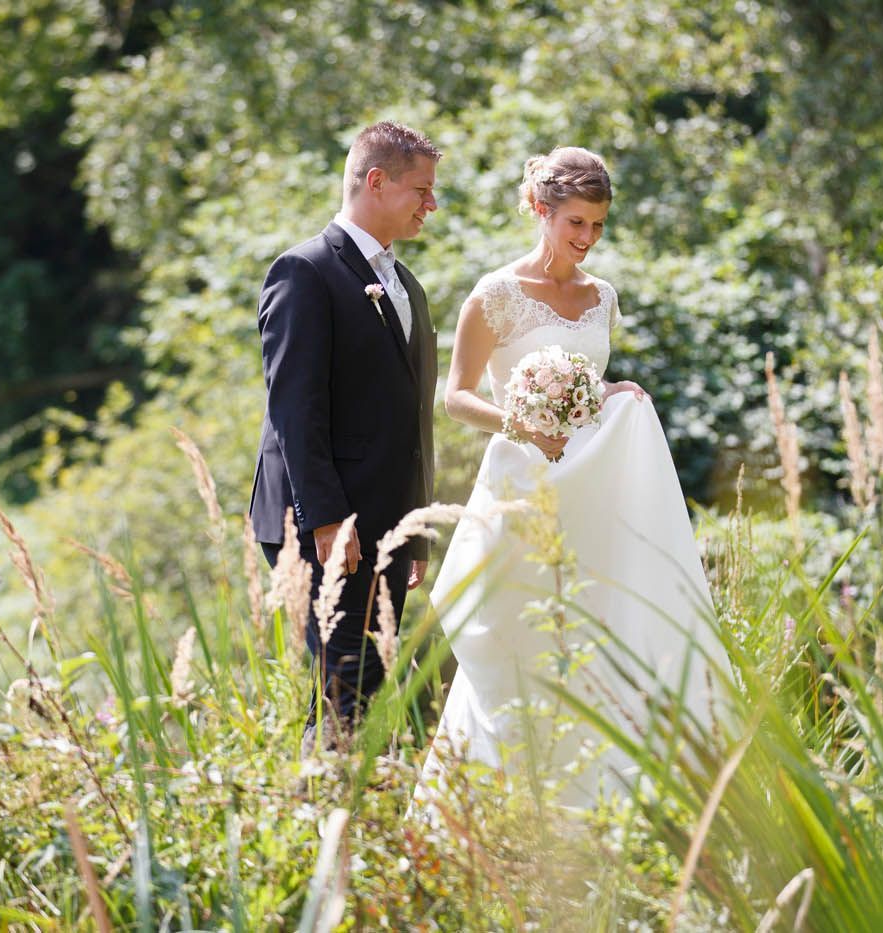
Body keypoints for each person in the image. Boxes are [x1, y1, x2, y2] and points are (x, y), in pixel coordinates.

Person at [417, 147, 726, 809]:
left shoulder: (601, 297)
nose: (586, 239)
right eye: (575, 223)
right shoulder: (493, 296)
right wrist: (521, 424)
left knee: (593, 619)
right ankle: (501, 799)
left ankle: (601, 795)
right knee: (518, 630)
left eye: (597, 226)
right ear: (540, 210)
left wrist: (617, 390)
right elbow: (457, 396)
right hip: (523, 482)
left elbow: (589, 383)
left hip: (592, 485)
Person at [249, 121, 440, 746]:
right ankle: (333, 823)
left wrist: (413, 534)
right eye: (422, 190)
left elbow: (413, 421)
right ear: (376, 181)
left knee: (364, 689)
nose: (431, 205)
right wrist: (326, 520)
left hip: (386, 525)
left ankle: (333, 817)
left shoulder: (405, 284)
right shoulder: (303, 271)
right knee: (348, 687)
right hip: (324, 522)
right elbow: (295, 409)